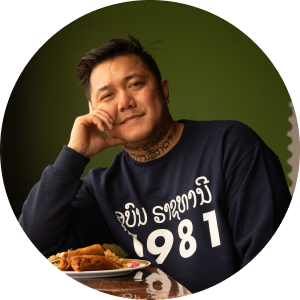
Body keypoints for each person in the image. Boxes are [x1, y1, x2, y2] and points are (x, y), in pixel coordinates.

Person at [18, 34, 292, 293]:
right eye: (107, 96)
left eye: (135, 84)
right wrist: (74, 154)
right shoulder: (102, 189)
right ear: (95, 115)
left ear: (164, 91)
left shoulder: (231, 146)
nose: (124, 101)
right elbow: (39, 244)